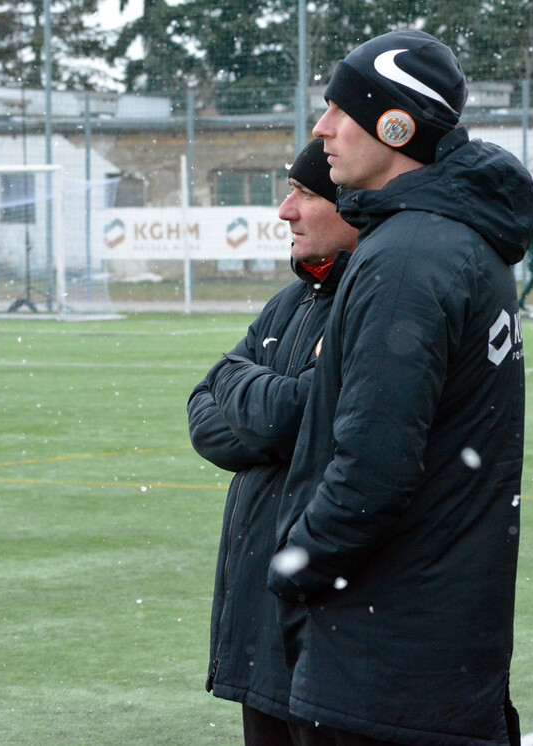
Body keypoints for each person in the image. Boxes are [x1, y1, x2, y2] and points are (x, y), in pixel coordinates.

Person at [267, 30, 533, 746]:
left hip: (386, 669)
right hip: (434, 651)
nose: (321, 129)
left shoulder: (409, 256)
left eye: (338, 110)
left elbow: (375, 468)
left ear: (397, 125)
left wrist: (298, 562)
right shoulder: (451, 238)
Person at [187, 138, 357, 745]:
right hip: (260, 627)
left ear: (351, 206)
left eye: (305, 194)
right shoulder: (288, 303)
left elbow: (295, 418)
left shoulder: (367, 302)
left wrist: (245, 392)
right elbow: (203, 418)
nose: (285, 210)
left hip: (322, 621)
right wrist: (264, 406)